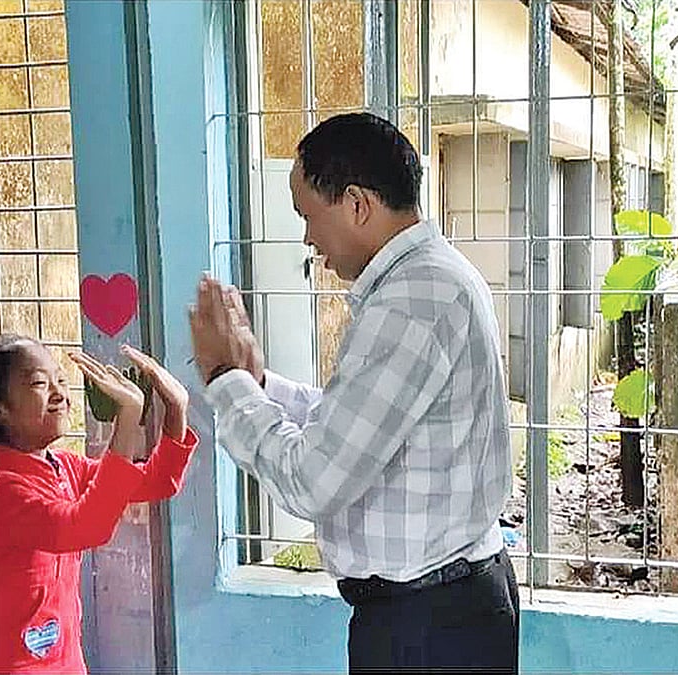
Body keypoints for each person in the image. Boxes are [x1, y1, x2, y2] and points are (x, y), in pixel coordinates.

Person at [189, 112, 518, 673]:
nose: (308, 239)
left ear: (357, 204)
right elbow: (356, 427)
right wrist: (261, 384)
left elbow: (314, 481)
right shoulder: (428, 281)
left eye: (308, 216)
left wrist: (227, 382)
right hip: (439, 609)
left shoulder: (412, 301)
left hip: (429, 625)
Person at [0, 334, 197, 674]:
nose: (59, 394)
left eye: (61, 380)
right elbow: (85, 527)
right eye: (39, 383)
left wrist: (177, 409)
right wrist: (127, 419)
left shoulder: (62, 467)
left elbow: (157, 481)